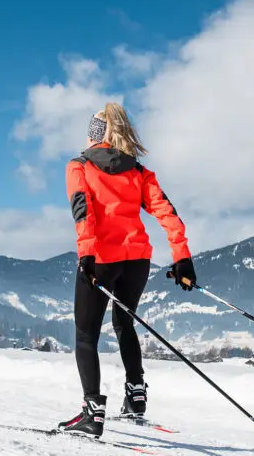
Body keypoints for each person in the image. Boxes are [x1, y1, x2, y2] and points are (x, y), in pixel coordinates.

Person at [59, 102, 197, 437]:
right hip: (136, 260)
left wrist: (87, 255)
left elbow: (83, 212)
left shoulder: (78, 167)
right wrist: (182, 257)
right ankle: (136, 394)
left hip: (102, 260)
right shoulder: (138, 171)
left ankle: (93, 411)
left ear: (93, 134)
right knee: (124, 324)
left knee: (86, 334)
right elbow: (167, 212)